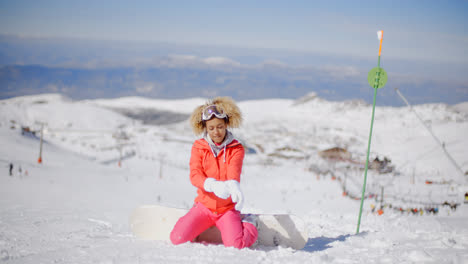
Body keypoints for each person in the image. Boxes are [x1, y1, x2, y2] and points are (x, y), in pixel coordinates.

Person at [170, 97, 258, 249]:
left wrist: (233, 185)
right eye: (211, 128)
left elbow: (233, 171)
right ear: (205, 128)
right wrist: (211, 185)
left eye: (219, 127)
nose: (216, 132)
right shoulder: (199, 147)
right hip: (204, 207)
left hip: (226, 210)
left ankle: (250, 223)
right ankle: (191, 224)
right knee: (177, 239)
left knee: (236, 245)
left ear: (226, 125)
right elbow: (195, 175)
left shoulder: (236, 148)